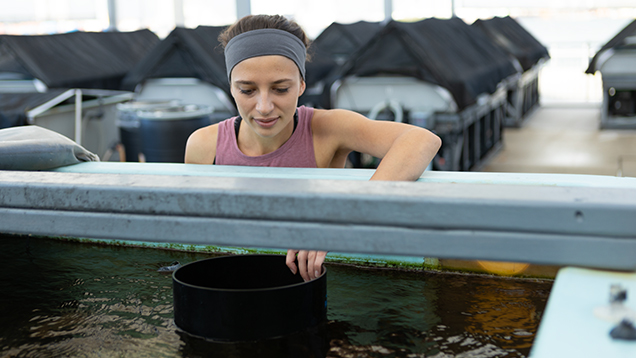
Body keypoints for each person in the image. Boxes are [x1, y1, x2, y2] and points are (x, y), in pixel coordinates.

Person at [185, 14, 442, 282]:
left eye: (281, 89)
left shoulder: (326, 129)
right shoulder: (204, 146)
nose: (264, 107)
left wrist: (344, 219)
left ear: (301, 85)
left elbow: (422, 140)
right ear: (231, 88)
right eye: (247, 91)